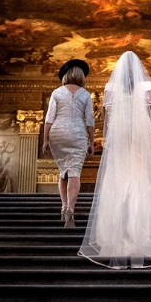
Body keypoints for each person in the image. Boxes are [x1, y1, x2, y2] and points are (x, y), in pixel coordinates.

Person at [79, 50, 151, 268]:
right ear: (139, 70)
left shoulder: (110, 87)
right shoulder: (146, 87)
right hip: (140, 136)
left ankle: (115, 236)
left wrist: (112, 130)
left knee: (118, 182)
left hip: (120, 136)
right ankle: (140, 234)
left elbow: (105, 114)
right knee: (140, 181)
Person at [42, 59, 96, 228]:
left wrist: (45, 139)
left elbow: (49, 117)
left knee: (63, 170)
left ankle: (64, 206)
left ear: (66, 75)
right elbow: (90, 121)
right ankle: (70, 209)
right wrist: (92, 142)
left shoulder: (57, 92)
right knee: (74, 172)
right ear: (81, 76)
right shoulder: (86, 95)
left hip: (57, 132)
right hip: (78, 133)